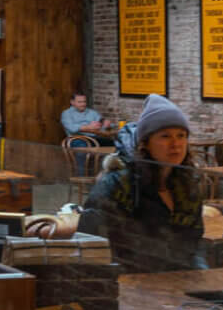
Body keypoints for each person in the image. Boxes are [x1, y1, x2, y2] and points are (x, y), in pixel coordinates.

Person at [79, 95, 206, 273]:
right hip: (128, 284)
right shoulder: (120, 183)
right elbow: (95, 247)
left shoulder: (186, 185)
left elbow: (193, 244)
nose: (175, 144)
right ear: (145, 143)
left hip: (174, 283)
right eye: (165, 136)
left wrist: (201, 276)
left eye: (181, 135)